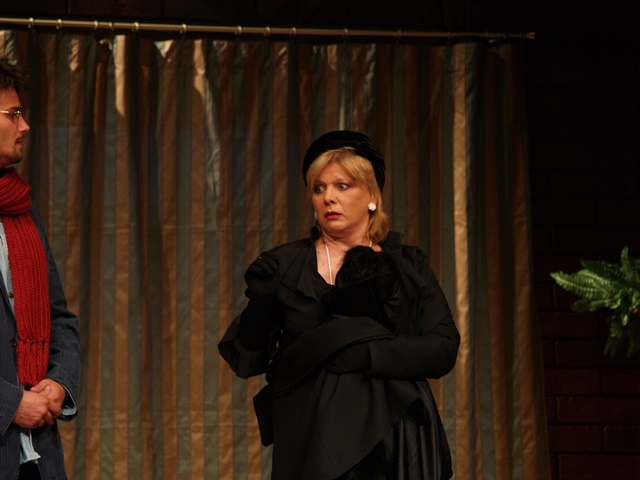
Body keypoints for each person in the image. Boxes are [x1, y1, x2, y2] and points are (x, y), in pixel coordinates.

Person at [219, 130, 459, 480]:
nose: (328, 197)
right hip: (312, 444)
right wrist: (261, 302)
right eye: (319, 188)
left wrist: (369, 355)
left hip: (397, 442)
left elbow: (443, 348)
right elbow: (246, 359)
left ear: (372, 195)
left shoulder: (408, 266)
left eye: (342, 186)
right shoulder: (285, 265)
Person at [0, 56, 81, 479]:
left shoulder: (24, 212)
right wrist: (9, 404)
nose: (25, 125)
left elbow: (60, 318)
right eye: (13, 114)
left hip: (37, 456)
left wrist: (59, 382)